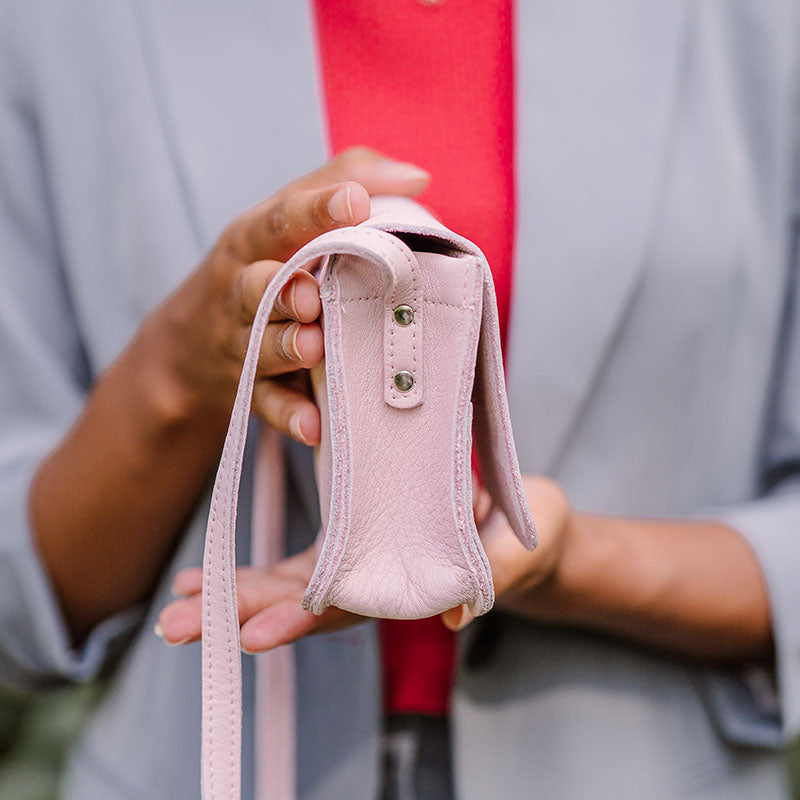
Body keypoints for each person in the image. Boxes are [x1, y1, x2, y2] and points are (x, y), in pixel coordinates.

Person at [1, 2, 799, 799]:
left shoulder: (754, 25)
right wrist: (182, 369)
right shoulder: (63, 25)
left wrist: (577, 561)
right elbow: (16, 607)